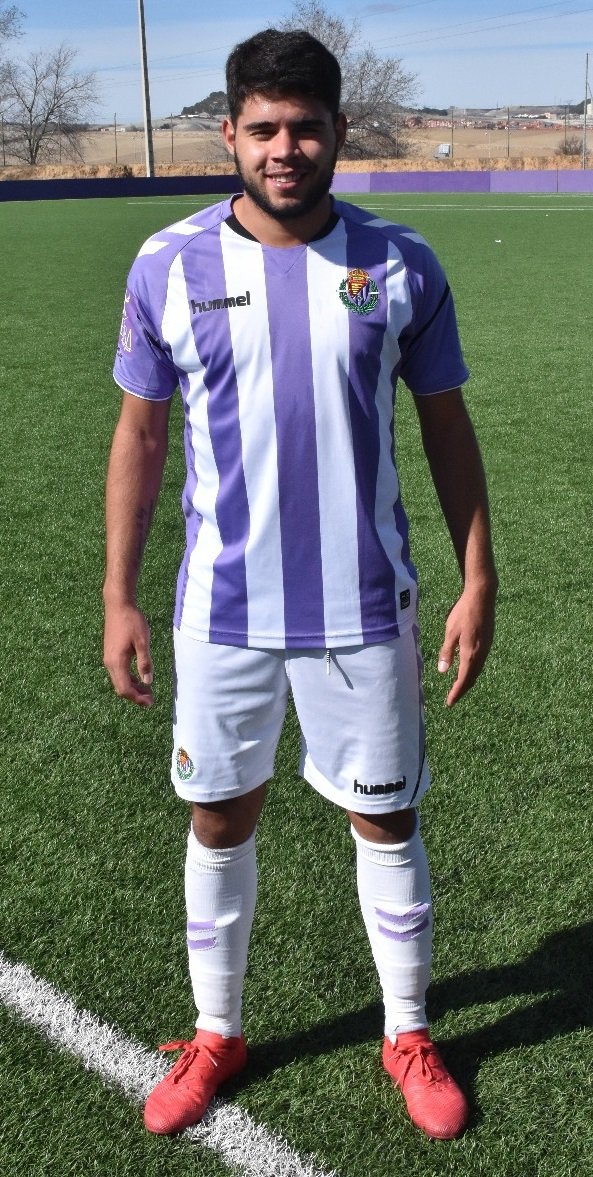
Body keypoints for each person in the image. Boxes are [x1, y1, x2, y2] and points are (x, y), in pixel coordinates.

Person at [103, 27, 497, 1142]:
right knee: (218, 815)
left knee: (387, 817)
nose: (285, 148)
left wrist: (477, 574)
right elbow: (139, 437)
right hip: (221, 611)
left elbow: (446, 428)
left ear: (338, 131)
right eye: (264, 128)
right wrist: (118, 595)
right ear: (229, 133)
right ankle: (216, 1031)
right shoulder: (167, 264)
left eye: (306, 127)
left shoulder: (400, 263)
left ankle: (406, 1031)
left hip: (363, 607)